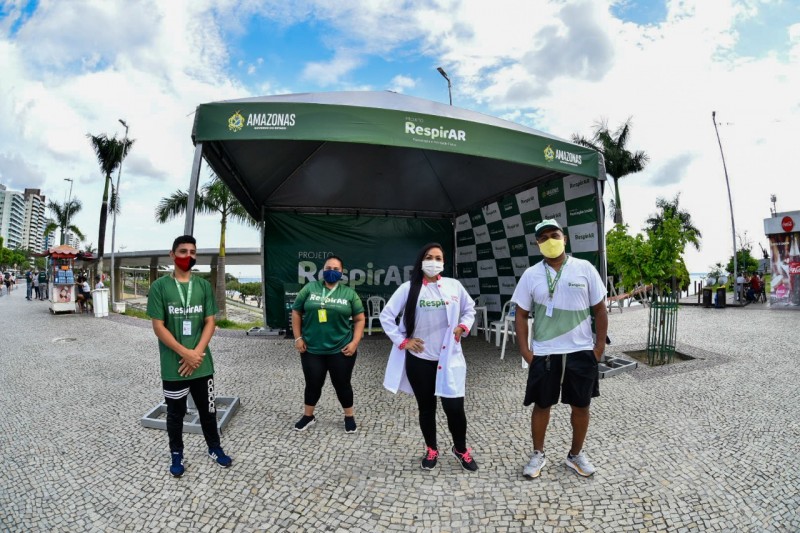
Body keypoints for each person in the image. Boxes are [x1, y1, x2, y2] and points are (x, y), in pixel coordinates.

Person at [511, 219, 608, 479]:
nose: (550, 241)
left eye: (554, 235)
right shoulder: (531, 274)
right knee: (542, 405)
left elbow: (600, 309)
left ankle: (575, 455)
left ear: (564, 238)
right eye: (543, 238)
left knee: (581, 406)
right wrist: (525, 351)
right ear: (537, 244)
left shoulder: (584, 268)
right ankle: (538, 454)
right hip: (545, 353)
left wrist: (598, 348)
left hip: (581, 351)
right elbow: (520, 314)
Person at [380, 242, 478, 472]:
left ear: (443, 263)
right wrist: (403, 341)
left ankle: (460, 449)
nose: (433, 262)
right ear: (421, 261)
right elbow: (386, 316)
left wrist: (463, 326)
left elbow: (470, 309)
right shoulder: (408, 288)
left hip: (449, 359)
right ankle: (431, 449)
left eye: (438, 258)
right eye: (429, 257)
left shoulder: (454, 286)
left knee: (455, 408)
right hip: (420, 360)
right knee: (426, 408)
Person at [146, 235, 232, 478]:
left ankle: (214, 447)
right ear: (172, 255)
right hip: (173, 366)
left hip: (202, 363)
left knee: (208, 411)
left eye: (192, 252)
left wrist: (196, 354)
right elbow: (158, 326)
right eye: (183, 251)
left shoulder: (203, 286)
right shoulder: (159, 287)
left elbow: (210, 322)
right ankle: (176, 453)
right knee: (175, 413)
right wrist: (185, 354)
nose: (188, 256)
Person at [291, 255, 365, 433]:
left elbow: (360, 319)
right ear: (323, 270)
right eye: (328, 268)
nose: (332, 271)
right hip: (312, 349)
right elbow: (296, 312)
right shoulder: (309, 288)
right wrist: (298, 338)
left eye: (336, 269)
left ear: (342, 272)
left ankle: (349, 416)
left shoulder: (349, 293)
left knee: (342, 384)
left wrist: (355, 342)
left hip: (341, 349)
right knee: (313, 383)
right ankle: (308, 416)